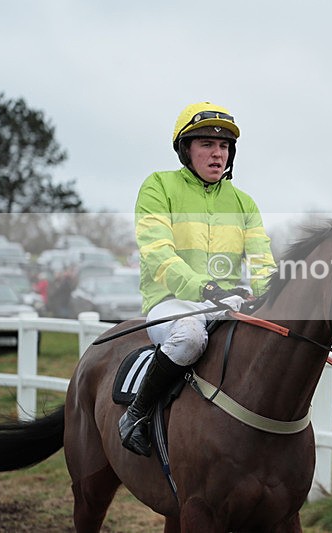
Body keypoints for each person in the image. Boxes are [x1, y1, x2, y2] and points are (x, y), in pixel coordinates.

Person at [119, 102, 277, 456]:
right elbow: (158, 254)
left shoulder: (244, 203)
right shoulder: (158, 186)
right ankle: (136, 413)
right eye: (206, 144)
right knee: (190, 337)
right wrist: (204, 288)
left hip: (226, 303)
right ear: (186, 150)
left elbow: (262, 261)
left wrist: (273, 295)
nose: (217, 154)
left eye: (223, 146)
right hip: (171, 303)